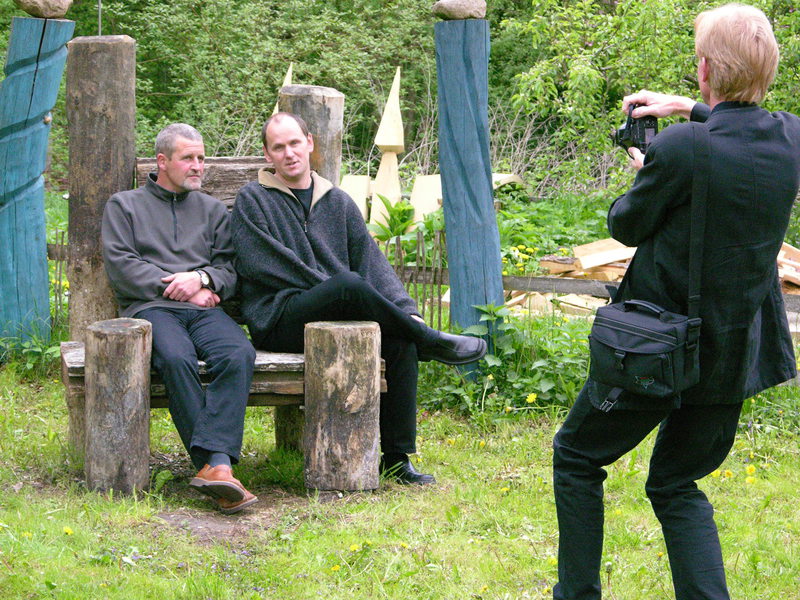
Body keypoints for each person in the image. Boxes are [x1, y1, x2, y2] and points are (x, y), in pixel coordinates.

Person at [552, 5, 800, 600]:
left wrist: (648, 170)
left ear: (706, 68)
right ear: (768, 68)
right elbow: (741, 132)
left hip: (654, 347)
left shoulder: (682, 150)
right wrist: (684, 106)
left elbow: (626, 225)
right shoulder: (791, 137)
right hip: (731, 354)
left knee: (576, 458)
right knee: (675, 483)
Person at [231, 112, 487, 485]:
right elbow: (260, 263)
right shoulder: (253, 200)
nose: (289, 153)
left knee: (399, 339)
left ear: (310, 143)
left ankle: (397, 459)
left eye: (295, 143)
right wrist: (337, 290)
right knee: (348, 284)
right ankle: (430, 341)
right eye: (278, 147)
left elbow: (372, 264)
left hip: (337, 309)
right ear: (268, 155)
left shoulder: (338, 201)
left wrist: (407, 312)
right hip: (280, 319)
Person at [102, 123, 258, 515]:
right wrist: (183, 286)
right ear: (162, 161)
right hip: (150, 310)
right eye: (188, 158)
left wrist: (202, 279)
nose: (198, 166)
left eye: (201, 158)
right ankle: (216, 464)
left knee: (238, 353)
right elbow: (122, 267)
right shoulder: (124, 206)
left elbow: (230, 268)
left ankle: (215, 468)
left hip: (204, 310)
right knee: (175, 358)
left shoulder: (212, 210)